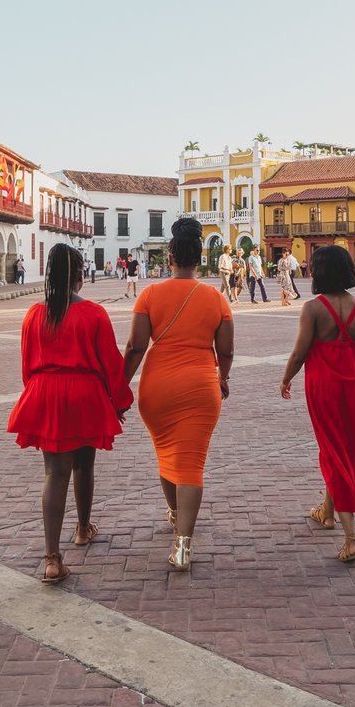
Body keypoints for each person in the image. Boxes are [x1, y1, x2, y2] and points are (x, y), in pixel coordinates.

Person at [7, 243, 133, 585]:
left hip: (46, 391)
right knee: (84, 465)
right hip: (85, 394)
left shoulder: (34, 314)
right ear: (80, 275)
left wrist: (39, 394)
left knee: (54, 473)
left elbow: (27, 364)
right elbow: (110, 363)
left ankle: (51, 558)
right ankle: (82, 528)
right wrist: (118, 402)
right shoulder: (94, 314)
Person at [123, 218, 235, 572]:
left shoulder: (149, 295)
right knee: (192, 462)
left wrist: (119, 386)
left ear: (169, 257)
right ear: (199, 259)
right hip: (201, 386)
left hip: (157, 387)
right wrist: (223, 377)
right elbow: (226, 350)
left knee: (166, 452)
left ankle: (174, 512)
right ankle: (183, 544)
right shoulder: (216, 298)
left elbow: (135, 347)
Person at [278, 245, 355, 564]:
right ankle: (327, 512)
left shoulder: (313, 309)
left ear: (320, 272)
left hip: (323, 387)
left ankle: (351, 539)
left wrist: (286, 378)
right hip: (354, 386)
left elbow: (300, 352)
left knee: (333, 452)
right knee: (343, 448)